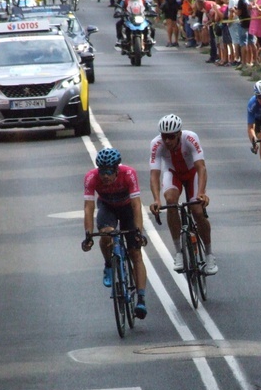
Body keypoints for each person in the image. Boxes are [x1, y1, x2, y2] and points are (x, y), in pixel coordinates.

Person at [81, 148, 148, 319]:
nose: (105, 176)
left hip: (127, 208)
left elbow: (136, 205)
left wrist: (139, 231)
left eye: (109, 171)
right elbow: (88, 208)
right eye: (102, 171)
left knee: (135, 253)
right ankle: (109, 265)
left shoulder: (129, 174)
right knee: (106, 235)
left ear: (117, 169)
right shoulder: (91, 177)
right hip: (107, 207)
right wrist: (88, 234)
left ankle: (141, 299)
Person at [149, 114, 218, 276]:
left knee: (197, 210)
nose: (167, 141)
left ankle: (209, 254)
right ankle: (179, 252)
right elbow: (154, 175)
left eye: (171, 137)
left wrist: (201, 193)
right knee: (171, 202)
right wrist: (157, 199)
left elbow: (201, 167)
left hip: (192, 173)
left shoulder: (190, 138)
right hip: (173, 173)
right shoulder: (156, 144)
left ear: (179, 134)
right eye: (164, 137)